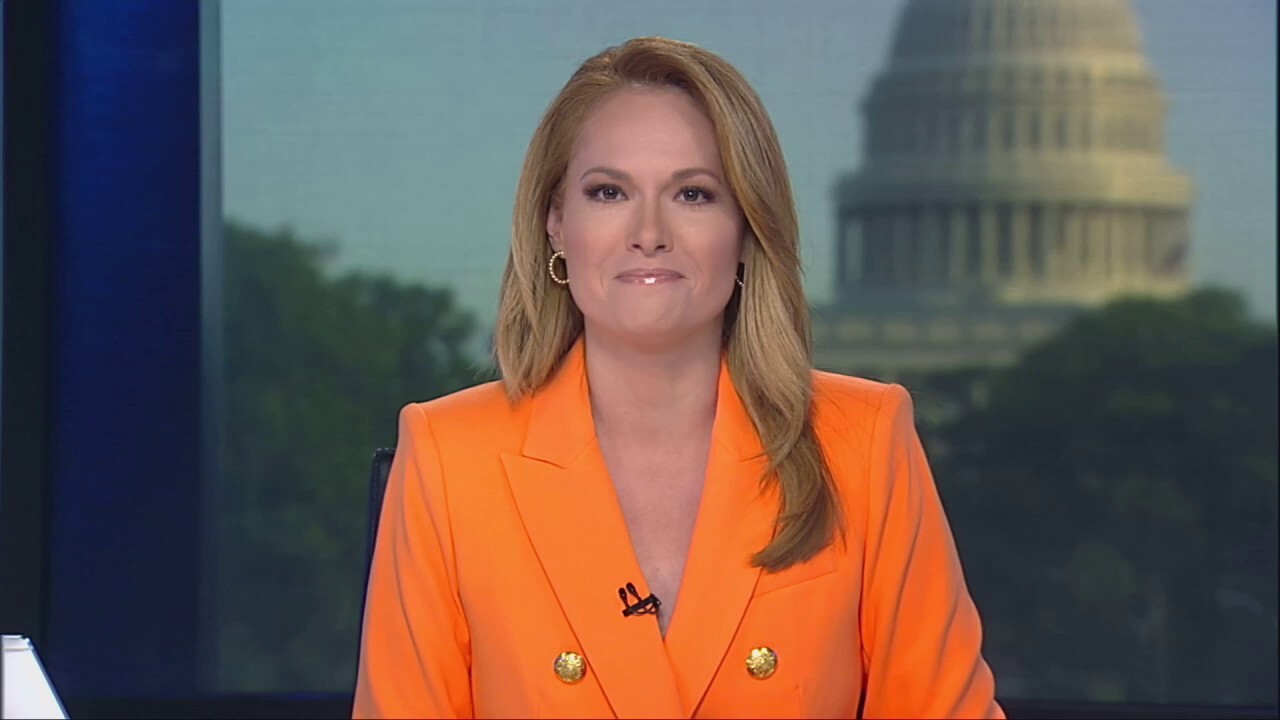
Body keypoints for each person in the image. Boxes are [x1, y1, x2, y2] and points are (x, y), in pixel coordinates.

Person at [353, 36, 1003, 719]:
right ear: (556, 224)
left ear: (747, 228)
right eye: (609, 192)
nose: (649, 232)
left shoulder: (861, 443)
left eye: (693, 194)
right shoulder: (450, 457)